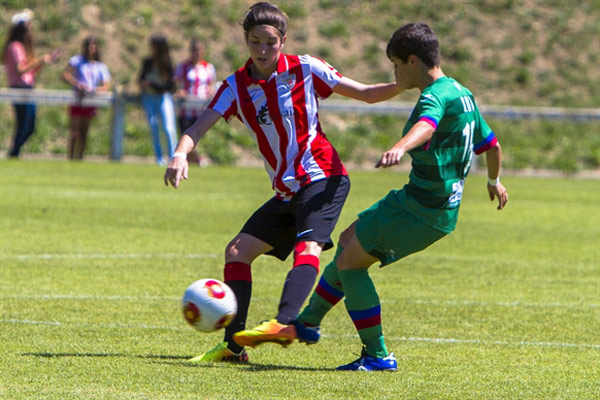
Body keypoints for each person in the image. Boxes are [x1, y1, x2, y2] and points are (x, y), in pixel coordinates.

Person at [164, 1, 403, 364]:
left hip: (324, 177)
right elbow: (197, 127)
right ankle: (233, 346)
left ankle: (285, 322)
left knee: (308, 247)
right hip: (286, 190)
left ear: (283, 41)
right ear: (246, 40)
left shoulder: (306, 68)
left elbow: (367, 93)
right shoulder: (235, 88)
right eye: (255, 42)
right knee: (236, 252)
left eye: (270, 43)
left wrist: (407, 83)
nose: (262, 50)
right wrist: (181, 153)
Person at [287, 22, 509, 371]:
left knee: (351, 266)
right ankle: (308, 322)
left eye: (395, 64)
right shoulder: (461, 92)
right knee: (347, 242)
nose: (393, 72)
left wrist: (400, 147)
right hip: (422, 203)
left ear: (412, 61)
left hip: (422, 209)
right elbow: (491, 146)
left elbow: (427, 125)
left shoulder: (434, 96)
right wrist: (494, 180)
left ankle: (377, 355)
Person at [2, 9, 61, 158]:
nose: (31, 30)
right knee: (24, 125)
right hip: (20, 89)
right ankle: (14, 153)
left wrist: (43, 62)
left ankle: (15, 152)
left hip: (27, 87)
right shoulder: (15, 46)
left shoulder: (22, 47)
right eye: (29, 27)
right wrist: (40, 60)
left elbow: (29, 73)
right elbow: (20, 70)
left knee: (29, 125)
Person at [62, 36, 111, 160]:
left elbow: (105, 86)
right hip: (77, 99)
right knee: (75, 131)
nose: (92, 49)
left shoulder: (100, 66)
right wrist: (78, 84)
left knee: (85, 131)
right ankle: (71, 157)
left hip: (90, 100)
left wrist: (93, 90)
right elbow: (65, 75)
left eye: (94, 46)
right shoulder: (77, 61)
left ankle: (80, 157)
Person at [174, 38, 216, 165]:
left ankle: (195, 157)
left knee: (199, 135)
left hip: (201, 108)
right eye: (194, 50)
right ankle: (194, 158)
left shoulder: (208, 67)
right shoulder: (183, 66)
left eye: (199, 50)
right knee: (186, 133)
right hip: (186, 108)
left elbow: (211, 86)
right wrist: (180, 92)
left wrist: (210, 93)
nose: (196, 53)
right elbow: (176, 85)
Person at [138, 34, 177, 165]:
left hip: (163, 98)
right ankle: (159, 158)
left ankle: (173, 157)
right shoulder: (147, 62)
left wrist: (152, 85)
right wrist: (143, 84)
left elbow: (170, 86)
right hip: (149, 97)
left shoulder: (167, 63)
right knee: (154, 126)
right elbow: (140, 79)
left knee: (168, 128)